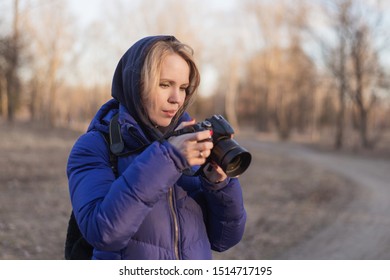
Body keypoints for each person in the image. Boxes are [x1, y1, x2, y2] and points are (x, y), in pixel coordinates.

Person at [66, 35, 246, 260]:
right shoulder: (95, 146)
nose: (176, 99)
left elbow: (224, 239)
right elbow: (104, 233)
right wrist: (170, 159)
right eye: (164, 84)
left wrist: (218, 184)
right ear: (136, 83)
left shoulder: (189, 141)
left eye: (183, 88)